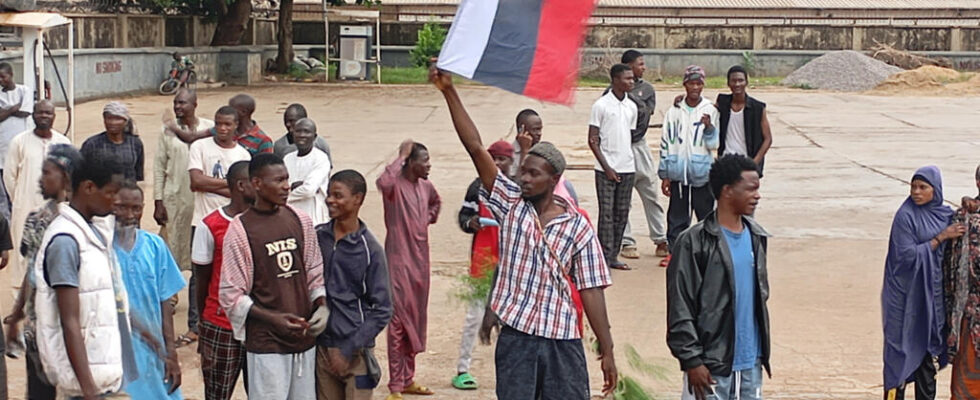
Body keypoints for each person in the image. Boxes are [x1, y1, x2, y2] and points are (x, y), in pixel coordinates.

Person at [431, 64, 618, 400]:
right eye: (524, 171)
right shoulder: (511, 204)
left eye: (534, 174)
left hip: (562, 341)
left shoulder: (577, 228)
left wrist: (607, 350)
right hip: (517, 340)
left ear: (553, 180)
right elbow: (474, 147)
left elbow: (592, 292)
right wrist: (449, 90)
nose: (524, 178)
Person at [219, 153, 328, 400]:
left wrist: (321, 306)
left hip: (302, 339)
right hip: (266, 343)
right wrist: (273, 318)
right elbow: (231, 294)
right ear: (257, 183)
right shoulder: (240, 229)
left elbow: (314, 271)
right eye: (278, 180)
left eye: (287, 179)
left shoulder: (300, 220)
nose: (286, 185)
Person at [34, 154, 139, 399]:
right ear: (89, 187)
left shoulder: (94, 231)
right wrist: (89, 391)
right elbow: (68, 320)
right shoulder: (65, 242)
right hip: (86, 386)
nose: (115, 203)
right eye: (111, 193)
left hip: (105, 375)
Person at [666, 155, 770, 400]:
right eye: (751, 189)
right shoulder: (693, 242)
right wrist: (692, 360)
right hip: (711, 366)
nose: (757, 196)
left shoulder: (757, 236)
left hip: (749, 364)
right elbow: (680, 306)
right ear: (727, 191)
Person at [4, 144, 80, 399]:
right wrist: (16, 315)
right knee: (40, 390)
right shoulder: (36, 219)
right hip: (42, 325)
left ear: (66, 176)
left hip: (81, 324)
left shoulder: (90, 218)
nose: (40, 178)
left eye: (48, 172)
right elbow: (33, 272)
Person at [882, 166, 965, 400]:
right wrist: (939, 239)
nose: (916, 192)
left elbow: (964, 226)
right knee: (898, 357)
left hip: (931, 299)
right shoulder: (905, 216)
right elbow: (905, 256)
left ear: (935, 190)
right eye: (913, 187)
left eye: (923, 187)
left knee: (927, 359)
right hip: (905, 298)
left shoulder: (944, 215)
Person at [315, 169, 392, 400]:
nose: (330, 200)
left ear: (357, 199)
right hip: (323, 351)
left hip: (359, 357)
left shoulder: (371, 251)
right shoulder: (318, 237)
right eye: (329, 194)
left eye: (338, 195)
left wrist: (349, 348)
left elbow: (383, 308)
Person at [376, 139, 441, 399]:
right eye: (423, 161)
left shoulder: (425, 187)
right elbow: (383, 183)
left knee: (415, 317)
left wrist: (426, 218)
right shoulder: (395, 187)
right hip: (398, 261)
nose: (428, 165)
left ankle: (408, 378)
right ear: (410, 163)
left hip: (421, 262)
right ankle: (395, 385)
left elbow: (436, 203)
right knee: (398, 321)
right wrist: (400, 156)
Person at [183, 105, 250, 347]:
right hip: (201, 220)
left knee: (229, 273)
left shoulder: (243, 155)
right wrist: (230, 185)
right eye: (218, 123)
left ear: (236, 127)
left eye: (227, 124)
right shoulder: (200, 146)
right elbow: (195, 181)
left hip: (231, 223)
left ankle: (229, 319)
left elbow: (244, 189)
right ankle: (197, 324)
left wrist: (210, 184)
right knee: (199, 275)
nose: (222, 128)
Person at [113, 180, 185, 399]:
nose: (129, 214)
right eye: (121, 207)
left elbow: (165, 302)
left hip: (153, 352)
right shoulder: (100, 249)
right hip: (115, 352)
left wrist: (171, 353)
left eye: (136, 208)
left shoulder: (155, 246)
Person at [452, 140, 513, 391]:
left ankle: (509, 371)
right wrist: (472, 223)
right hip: (483, 261)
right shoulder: (476, 188)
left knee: (507, 320)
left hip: (511, 265)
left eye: (502, 159)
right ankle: (463, 368)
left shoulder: (516, 188)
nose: (497, 164)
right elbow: (463, 217)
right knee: (474, 316)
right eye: (493, 158)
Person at [192, 160, 252, 400]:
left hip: (258, 322)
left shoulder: (266, 222)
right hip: (220, 323)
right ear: (240, 185)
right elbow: (201, 280)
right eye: (254, 181)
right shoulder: (210, 225)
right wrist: (204, 327)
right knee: (217, 393)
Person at [4, 100, 70, 285]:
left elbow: (69, 177)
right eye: (40, 113)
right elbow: (10, 177)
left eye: (48, 113)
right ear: (33, 115)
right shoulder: (19, 142)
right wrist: (19, 199)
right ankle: (21, 303)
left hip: (56, 210)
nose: (44, 117)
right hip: (24, 206)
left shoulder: (63, 143)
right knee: (22, 253)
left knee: (53, 251)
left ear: (54, 117)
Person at [659, 65, 720, 268]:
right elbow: (666, 142)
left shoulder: (710, 110)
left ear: (703, 85)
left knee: (705, 214)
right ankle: (674, 253)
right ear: (684, 85)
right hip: (678, 172)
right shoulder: (674, 111)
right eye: (691, 83)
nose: (695, 87)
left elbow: (714, 145)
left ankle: (709, 253)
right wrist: (665, 174)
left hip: (702, 172)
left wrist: (709, 128)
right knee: (677, 215)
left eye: (699, 83)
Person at [611, 50, 668, 260]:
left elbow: (644, 115)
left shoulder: (647, 89)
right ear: (627, 66)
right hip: (619, 147)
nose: (643, 68)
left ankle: (660, 238)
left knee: (650, 192)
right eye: (640, 64)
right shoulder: (610, 94)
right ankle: (627, 242)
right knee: (623, 197)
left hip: (639, 145)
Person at [154, 89, 214, 275]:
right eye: (176, 102)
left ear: (195, 105)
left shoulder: (209, 128)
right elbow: (159, 167)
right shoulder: (165, 131)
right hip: (174, 199)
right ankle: (170, 296)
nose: (178, 106)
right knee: (170, 246)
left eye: (183, 103)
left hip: (201, 201)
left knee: (200, 247)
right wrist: (158, 201)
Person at [589, 63, 637, 271]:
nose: (631, 82)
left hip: (627, 166)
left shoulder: (631, 106)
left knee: (622, 213)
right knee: (606, 214)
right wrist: (606, 167)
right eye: (627, 78)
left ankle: (614, 255)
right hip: (605, 168)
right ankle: (603, 256)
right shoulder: (601, 105)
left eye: (632, 78)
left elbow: (630, 135)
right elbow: (592, 139)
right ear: (615, 80)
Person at [169, 94, 274, 156]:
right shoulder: (222, 130)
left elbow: (265, 171)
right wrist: (173, 127)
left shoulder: (263, 141)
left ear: (244, 112)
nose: (228, 111)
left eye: (232, 109)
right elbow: (191, 137)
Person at [717, 65, 773, 176]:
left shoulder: (758, 108)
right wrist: (682, 98)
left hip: (747, 161)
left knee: (747, 192)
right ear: (728, 83)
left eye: (740, 80)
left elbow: (768, 139)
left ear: (746, 82)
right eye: (733, 81)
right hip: (726, 160)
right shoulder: (722, 102)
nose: (737, 84)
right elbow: (702, 106)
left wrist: (755, 162)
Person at [0, 62, 34, 222]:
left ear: (11, 75)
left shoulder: (24, 90)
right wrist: (14, 108)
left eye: (3, 77)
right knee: (3, 194)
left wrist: (6, 110)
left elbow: (26, 112)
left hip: (20, 147)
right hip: (2, 148)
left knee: (20, 188)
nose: (1, 80)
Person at [285, 118, 332, 225]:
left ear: (314, 137)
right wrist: (295, 186)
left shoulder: (320, 158)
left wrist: (285, 197)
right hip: (291, 216)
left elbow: (308, 190)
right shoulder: (287, 159)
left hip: (314, 218)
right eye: (298, 131)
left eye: (306, 132)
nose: (302, 135)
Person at [81, 101, 144, 181]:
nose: (112, 122)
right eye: (109, 118)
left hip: (127, 191)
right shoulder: (92, 144)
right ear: (104, 120)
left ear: (125, 122)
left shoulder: (135, 143)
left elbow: (138, 174)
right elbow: (80, 172)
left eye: (118, 119)